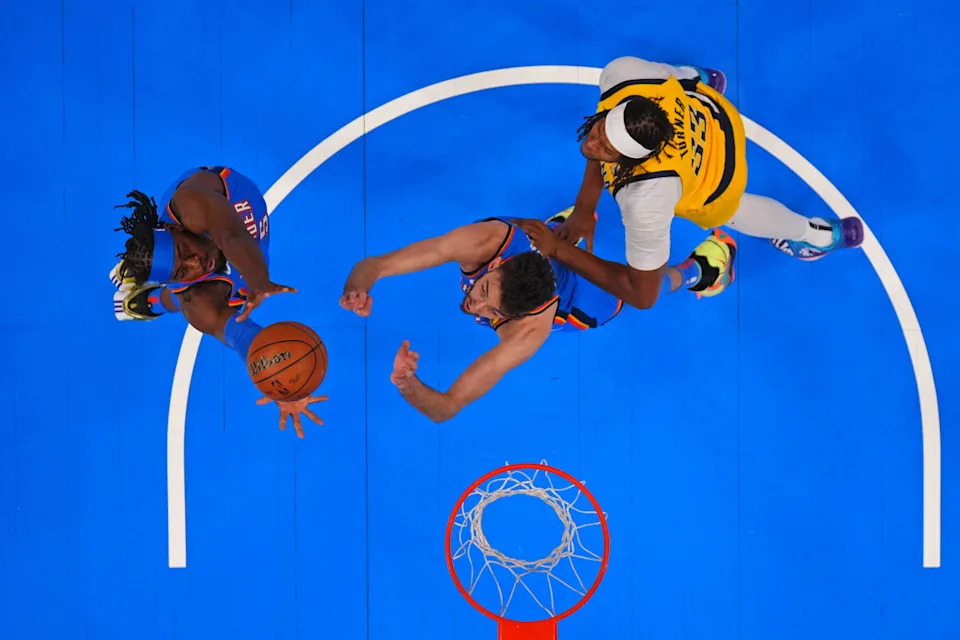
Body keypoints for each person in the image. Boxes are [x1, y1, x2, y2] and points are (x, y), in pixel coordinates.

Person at [515, 56, 864, 310]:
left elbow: (642, 294)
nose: (591, 146)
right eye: (599, 129)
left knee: (733, 210)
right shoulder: (621, 75)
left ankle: (816, 234)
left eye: (606, 148)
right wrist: (585, 208)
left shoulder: (647, 198)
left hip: (716, 172)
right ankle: (700, 78)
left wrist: (559, 249)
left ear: (632, 160)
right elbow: (604, 145)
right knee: (675, 78)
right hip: (711, 112)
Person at [339, 213, 626, 422]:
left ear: (517, 315)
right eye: (485, 289)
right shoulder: (486, 242)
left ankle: (673, 275)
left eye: (493, 313)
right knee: (535, 229)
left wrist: (406, 383)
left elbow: (447, 406)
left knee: (646, 288)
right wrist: (356, 289)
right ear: (497, 263)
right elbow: (374, 265)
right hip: (544, 240)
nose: (475, 306)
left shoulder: (528, 331)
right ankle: (577, 222)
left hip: (588, 298)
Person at [109, 165, 324, 438]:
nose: (195, 262)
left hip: (226, 208)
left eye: (185, 250)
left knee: (195, 283)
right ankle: (149, 300)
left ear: (176, 229)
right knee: (182, 299)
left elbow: (230, 235)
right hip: (198, 290)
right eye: (181, 270)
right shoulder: (196, 300)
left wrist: (258, 278)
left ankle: (139, 274)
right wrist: (281, 382)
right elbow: (242, 336)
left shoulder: (189, 205)